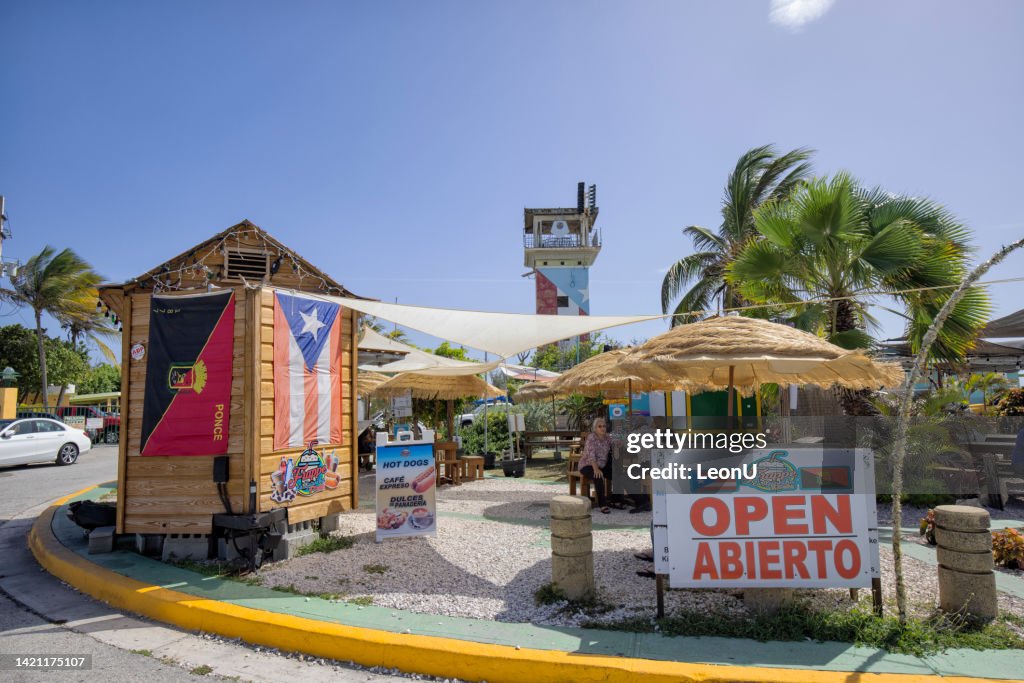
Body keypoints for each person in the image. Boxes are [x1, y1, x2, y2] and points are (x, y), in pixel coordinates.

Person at [578, 417, 614, 513]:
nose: (602, 428)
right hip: (587, 465)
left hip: (602, 465)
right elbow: (591, 455)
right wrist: (596, 469)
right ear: (595, 428)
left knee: (618, 474)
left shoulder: (607, 437)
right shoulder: (591, 438)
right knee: (597, 476)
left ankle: (618, 499)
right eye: (599, 426)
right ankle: (603, 505)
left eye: (604, 426)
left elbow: (617, 443)